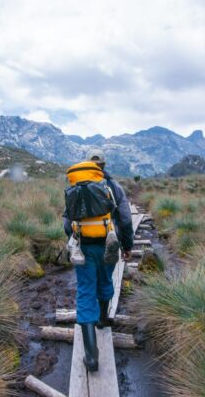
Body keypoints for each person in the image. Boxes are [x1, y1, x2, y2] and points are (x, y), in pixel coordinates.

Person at [63, 149, 134, 372]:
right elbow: (125, 217)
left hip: (84, 246)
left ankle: (91, 356)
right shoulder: (113, 186)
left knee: (85, 291)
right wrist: (127, 245)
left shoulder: (77, 187)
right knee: (106, 280)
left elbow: (67, 222)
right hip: (109, 244)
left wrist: (74, 240)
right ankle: (103, 319)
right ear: (103, 164)